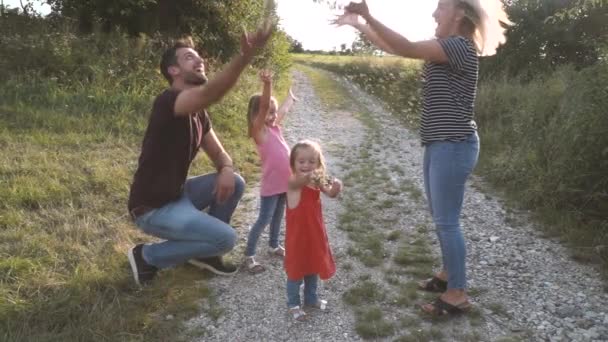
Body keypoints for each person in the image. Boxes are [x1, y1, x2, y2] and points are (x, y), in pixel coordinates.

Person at [335, 0, 511, 315]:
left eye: (440, 8)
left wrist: (368, 15)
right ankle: (447, 275)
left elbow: (404, 46)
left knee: (447, 221)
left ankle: (457, 294)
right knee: (442, 217)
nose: (434, 14)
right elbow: (394, 47)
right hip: (440, 144)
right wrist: (360, 25)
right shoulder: (450, 45)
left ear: (459, 14)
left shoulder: (458, 45)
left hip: (453, 145)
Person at [126, 22, 274, 286]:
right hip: (151, 208)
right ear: (174, 71)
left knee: (236, 181)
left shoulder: (199, 114)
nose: (199, 60)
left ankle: (206, 255)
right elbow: (211, 93)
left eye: (198, 56)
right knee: (226, 238)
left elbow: (219, 154)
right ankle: (147, 256)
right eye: (188, 57)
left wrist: (226, 169)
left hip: (177, 196)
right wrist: (244, 57)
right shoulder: (168, 101)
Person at [243, 69, 298, 274]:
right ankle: (249, 255)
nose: (273, 115)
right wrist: (267, 84)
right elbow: (265, 104)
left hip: (285, 182)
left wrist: (290, 99)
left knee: (278, 216)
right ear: (256, 115)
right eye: (268, 112)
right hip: (271, 185)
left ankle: (273, 245)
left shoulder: (274, 127)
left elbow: (281, 112)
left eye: (273, 112)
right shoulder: (259, 131)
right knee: (264, 219)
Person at [284, 140, 342, 321]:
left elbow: (330, 193)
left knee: (313, 266)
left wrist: (336, 187)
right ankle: (293, 304)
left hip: (314, 234)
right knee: (295, 270)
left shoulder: (316, 181)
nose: (306, 165)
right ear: (293, 163)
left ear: (318, 163)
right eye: (301, 161)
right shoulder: (293, 181)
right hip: (297, 238)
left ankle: (311, 298)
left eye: (311, 161)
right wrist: (315, 175)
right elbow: (301, 180)